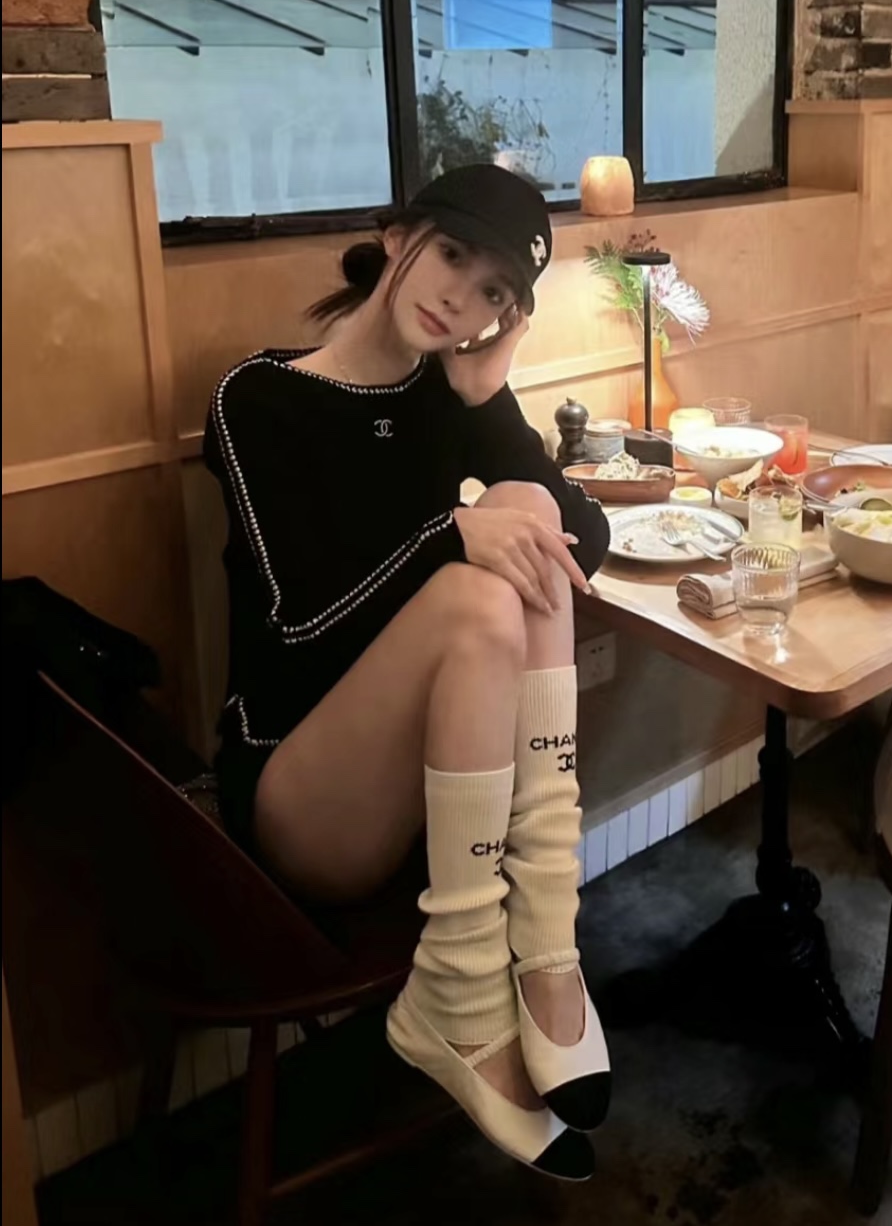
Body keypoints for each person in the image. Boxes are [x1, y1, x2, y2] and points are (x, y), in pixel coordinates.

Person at [204, 164, 612, 1180]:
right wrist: (450, 537)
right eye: (452, 256)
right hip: (302, 798)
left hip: (435, 814)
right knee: (479, 587)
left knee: (528, 515)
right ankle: (464, 987)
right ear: (398, 238)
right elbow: (298, 629)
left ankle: (543, 939)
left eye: (493, 292)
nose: (459, 297)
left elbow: (584, 542)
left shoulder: (448, 396)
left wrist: (489, 402)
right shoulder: (257, 400)